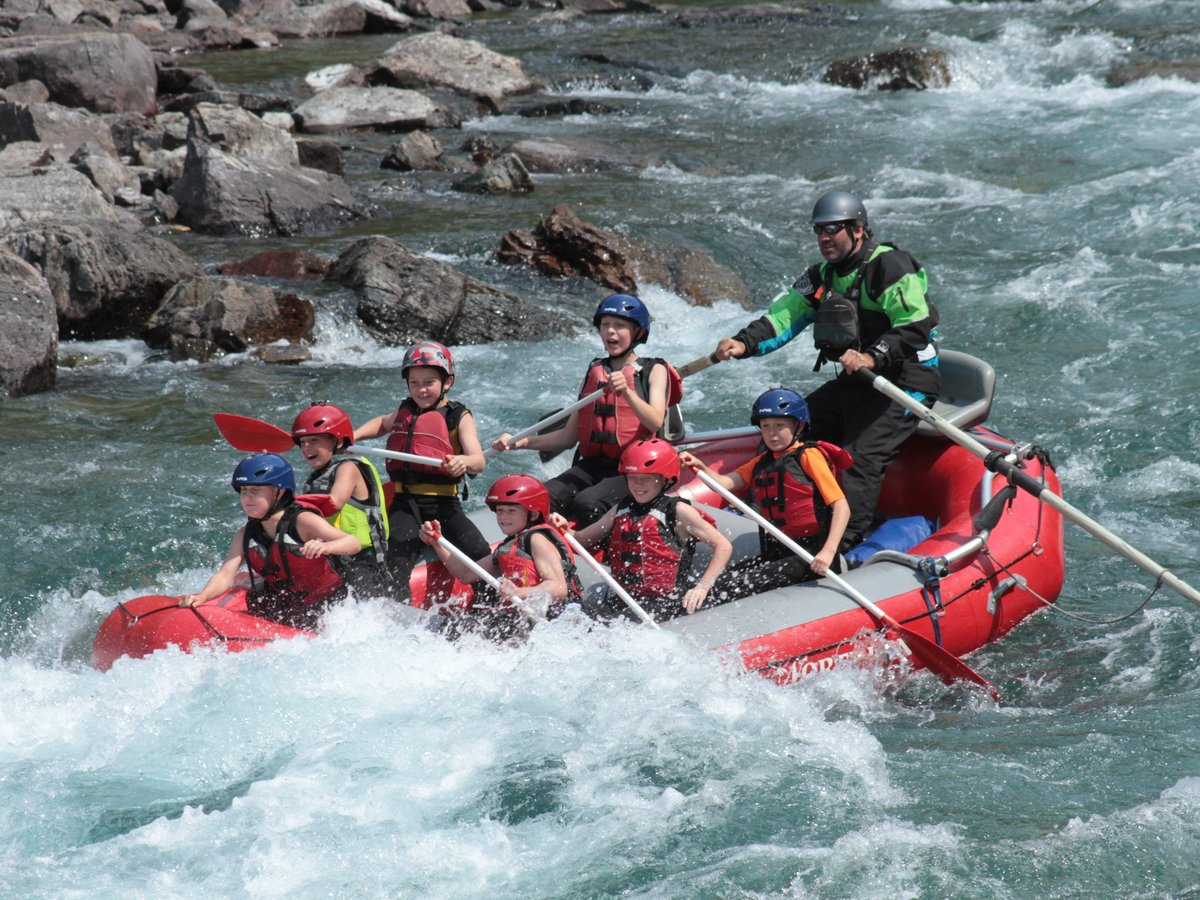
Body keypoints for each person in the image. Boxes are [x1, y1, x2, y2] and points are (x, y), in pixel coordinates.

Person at [712, 190, 939, 551]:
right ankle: (768, 519)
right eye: (819, 230)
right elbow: (783, 316)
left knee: (858, 458)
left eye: (833, 229)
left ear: (859, 230)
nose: (824, 238)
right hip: (857, 382)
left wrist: (873, 356)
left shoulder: (889, 266)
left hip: (905, 381)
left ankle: (845, 543)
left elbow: (915, 324)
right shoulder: (821, 276)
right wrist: (743, 343)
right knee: (786, 431)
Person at [491, 293, 681, 527]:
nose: (610, 331)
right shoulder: (595, 370)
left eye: (619, 325)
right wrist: (522, 443)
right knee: (541, 498)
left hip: (632, 471)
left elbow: (654, 422)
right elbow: (568, 438)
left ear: (638, 332)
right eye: (605, 325)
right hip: (590, 465)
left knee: (586, 504)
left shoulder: (654, 369)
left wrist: (628, 393)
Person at [353, 341, 490, 604]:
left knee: (481, 556)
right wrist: (354, 436)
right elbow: (382, 424)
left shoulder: (458, 416)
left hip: (444, 506)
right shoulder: (406, 409)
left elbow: (478, 460)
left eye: (429, 382)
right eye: (414, 383)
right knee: (395, 561)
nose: (421, 390)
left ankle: (487, 608)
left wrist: (463, 461)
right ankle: (398, 617)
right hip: (406, 505)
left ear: (447, 382)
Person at [681, 388, 851, 597]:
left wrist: (828, 552)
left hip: (812, 555)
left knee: (740, 585)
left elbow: (841, 506)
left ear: (799, 425)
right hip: (777, 551)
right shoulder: (761, 462)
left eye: (780, 425)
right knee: (724, 580)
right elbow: (724, 483)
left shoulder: (808, 456)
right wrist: (699, 467)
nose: (772, 433)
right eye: (765, 426)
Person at [554, 437, 732, 620]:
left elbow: (723, 546)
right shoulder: (621, 509)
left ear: (664, 480)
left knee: (607, 627)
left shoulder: (678, 511)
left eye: (646, 479)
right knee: (577, 618)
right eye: (632, 478)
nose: (638, 485)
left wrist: (703, 586)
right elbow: (582, 539)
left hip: (666, 603)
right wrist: (563, 527)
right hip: (626, 599)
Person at [182, 453, 362, 629]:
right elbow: (225, 574)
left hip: (329, 602)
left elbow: (353, 543)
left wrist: (326, 546)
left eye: (255, 490)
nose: (247, 498)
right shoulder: (245, 534)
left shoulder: (303, 521)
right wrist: (203, 596)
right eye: (244, 491)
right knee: (258, 598)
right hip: (287, 602)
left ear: (280, 491)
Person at [418, 474, 580, 641]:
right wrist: (436, 542)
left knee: (458, 633)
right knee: (452, 628)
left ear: (532, 514)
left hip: (553, 622)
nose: (503, 517)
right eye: (500, 511)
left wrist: (518, 592)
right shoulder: (508, 547)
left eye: (511, 511)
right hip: (523, 621)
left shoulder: (537, 539)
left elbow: (559, 588)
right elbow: (465, 574)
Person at [291, 402, 390, 594]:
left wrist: (285, 505)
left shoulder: (349, 468)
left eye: (314, 440)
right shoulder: (317, 475)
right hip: (333, 557)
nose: (306, 447)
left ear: (337, 442)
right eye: (302, 442)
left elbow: (333, 503)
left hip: (364, 562)